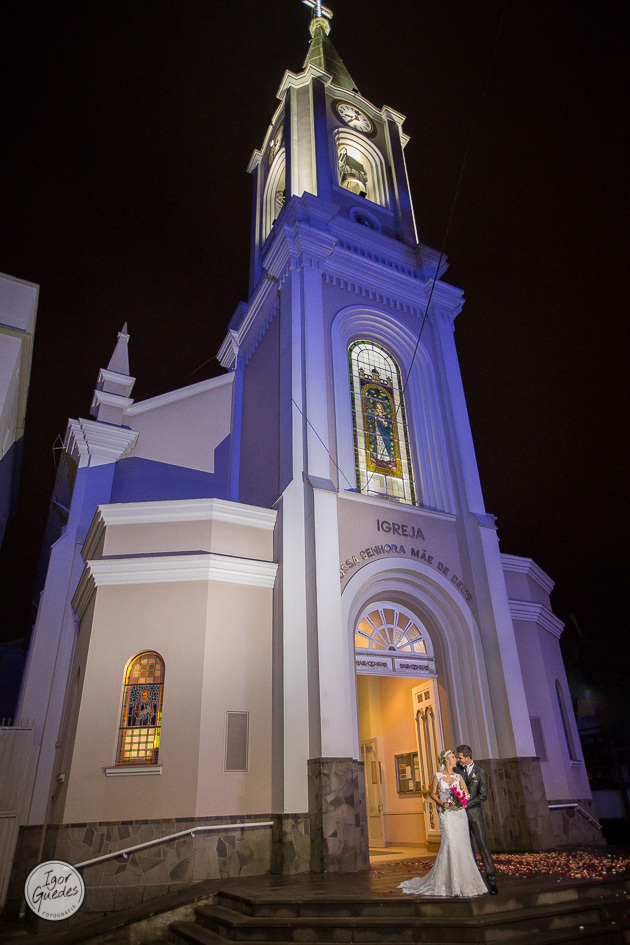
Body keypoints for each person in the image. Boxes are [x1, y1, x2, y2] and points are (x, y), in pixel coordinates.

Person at [398, 748, 488, 897]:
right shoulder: (438, 776)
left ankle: (465, 881)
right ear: (446, 760)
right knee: (450, 843)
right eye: (453, 757)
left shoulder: (459, 777)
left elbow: (466, 793)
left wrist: (460, 800)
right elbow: (433, 793)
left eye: (455, 757)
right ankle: (449, 882)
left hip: (459, 814)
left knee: (462, 845)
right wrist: (442, 802)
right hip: (446, 815)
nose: (455, 760)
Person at [455, 745, 498, 895]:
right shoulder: (457, 771)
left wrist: (466, 803)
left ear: (467, 757)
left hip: (474, 815)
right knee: (467, 847)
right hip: (460, 816)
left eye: (459, 757)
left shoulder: (480, 772)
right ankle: (473, 878)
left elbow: (483, 795)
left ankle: (491, 879)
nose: (458, 760)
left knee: (482, 846)